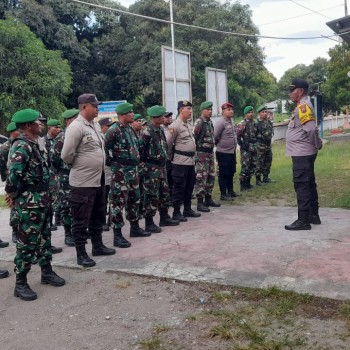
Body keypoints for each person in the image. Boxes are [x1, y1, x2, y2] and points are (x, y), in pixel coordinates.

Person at [5, 109, 65, 301]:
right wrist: (13, 195)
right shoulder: (21, 145)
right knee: (26, 243)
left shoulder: (35, 144)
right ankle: (20, 283)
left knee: (44, 238)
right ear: (28, 125)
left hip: (43, 200)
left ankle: (46, 272)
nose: (41, 124)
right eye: (38, 122)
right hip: (29, 203)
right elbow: (13, 177)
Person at [61, 94, 116, 267]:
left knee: (98, 215)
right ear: (84, 107)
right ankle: (81, 253)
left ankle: (97, 246)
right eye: (94, 105)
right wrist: (82, 165)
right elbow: (66, 155)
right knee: (81, 219)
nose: (97, 108)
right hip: (83, 182)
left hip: (98, 179)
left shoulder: (95, 126)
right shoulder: (76, 127)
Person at [105, 102, 150, 249]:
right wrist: (116, 167)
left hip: (133, 171)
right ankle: (117, 235)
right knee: (118, 203)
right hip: (121, 173)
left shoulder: (129, 129)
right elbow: (106, 151)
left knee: (134, 200)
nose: (133, 114)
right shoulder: (113, 131)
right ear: (123, 115)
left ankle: (134, 227)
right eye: (130, 112)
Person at [285, 78, 323, 231]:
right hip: (303, 153)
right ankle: (313, 215)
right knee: (309, 183)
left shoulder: (303, 107)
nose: (290, 94)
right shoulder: (303, 106)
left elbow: (312, 130)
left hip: (302, 153)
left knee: (302, 185)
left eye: (292, 91)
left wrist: (316, 143)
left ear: (300, 91)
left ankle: (303, 220)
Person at [139, 105, 179, 232]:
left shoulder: (160, 130)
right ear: (154, 118)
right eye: (161, 116)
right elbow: (140, 151)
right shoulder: (147, 132)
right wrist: (145, 167)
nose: (163, 118)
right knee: (151, 195)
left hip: (162, 167)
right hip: (151, 168)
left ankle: (164, 217)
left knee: (164, 193)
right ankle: (149, 222)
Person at [166, 100, 200, 221]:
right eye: (188, 109)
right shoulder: (175, 126)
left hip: (190, 161)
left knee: (189, 186)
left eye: (191, 109)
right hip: (180, 162)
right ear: (181, 110)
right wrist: (170, 158)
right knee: (179, 187)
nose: (190, 111)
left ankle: (187, 209)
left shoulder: (188, 125)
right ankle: (176, 212)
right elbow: (168, 144)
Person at [50, 109, 79, 247]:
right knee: (66, 205)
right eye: (75, 118)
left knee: (79, 204)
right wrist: (61, 171)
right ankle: (68, 234)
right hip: (65, 175)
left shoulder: (80, 134)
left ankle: (78, 231)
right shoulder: (62, 138)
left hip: (80, 175)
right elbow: (54, 158)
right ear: (69, 121)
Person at [194, 101, 220, 212]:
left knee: (211, 176)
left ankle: (208, 198)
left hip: (210, 154)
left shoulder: (209, 123)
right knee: (201, 177)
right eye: (208, 110)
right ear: (202, 110)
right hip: (201, 154)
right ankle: (200, 202)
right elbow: (194, 138)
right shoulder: (199, 122)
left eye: (211, 110)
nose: (210, 111)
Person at [0, 122, 20, 245]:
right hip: (11, 178)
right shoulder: (5, 147)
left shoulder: (21, 143)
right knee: (13, 206)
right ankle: (14, 231)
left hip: (20, 178)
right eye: (18, 130)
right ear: (13, 132)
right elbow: (2, 165)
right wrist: (6, 178)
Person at [214, 102, 238, 200]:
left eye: (232, 109)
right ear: (223, 111)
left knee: (231, 172)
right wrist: (221, 144)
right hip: (223, 152)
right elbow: (215, 136)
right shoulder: (221, 122)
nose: (231, 111)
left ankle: (230, 191)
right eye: (228, 110)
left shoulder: (230, 121)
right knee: (224, 173)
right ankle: (223, 194)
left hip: (231, 152)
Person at [42, 119, 62, 230]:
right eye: (56, 127)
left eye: (59, 127)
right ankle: (50, 221)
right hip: (49, 173)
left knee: (59, 195)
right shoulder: (43, 141)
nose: (58, 130)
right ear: (49, 128)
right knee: (50, 197)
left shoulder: (60, 140)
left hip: (58, 172)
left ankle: (58, 218)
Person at [98, 117, 115, 231]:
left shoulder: (111, 137)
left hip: (111, 170)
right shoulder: (99, 138)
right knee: (102, 198)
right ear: (102, 127)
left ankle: (110, 220)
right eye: (107, 126)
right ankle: (102, 221)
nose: (109, 128)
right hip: (102, 172)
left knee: (111, 197)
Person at [237, 106, 258, 191]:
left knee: (252, 165)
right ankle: (243, 184)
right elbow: (238, 134)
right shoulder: (242, 123)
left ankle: (248, 183)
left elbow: (256, 133)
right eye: (249, 112)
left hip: (253, 147)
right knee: (245, 166)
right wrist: (241, 144)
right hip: (246, 148)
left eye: (252, 112)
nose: (251, 114)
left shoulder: (254, 123)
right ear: (245, 114)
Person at [255, 105, 276, 185]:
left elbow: (271, 132)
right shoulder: (257, 123)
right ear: (259, 113)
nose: (265, 113)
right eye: (263, 112)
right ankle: (258, 180)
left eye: (266, 112)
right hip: (260, 146)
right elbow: (255, 134)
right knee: (260, 162)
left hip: (268, 145)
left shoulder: (268, 122)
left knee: (268, 161)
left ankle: (266, 177)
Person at [161, 111, 174, 203]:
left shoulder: (171, 128)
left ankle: (172, 198)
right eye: (167, 117)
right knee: (165, 180)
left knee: (171, 178)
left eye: (170, 116)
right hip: (164, 158)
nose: (169, 118)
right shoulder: (161, 129)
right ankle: (166, 199)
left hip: (171, 157)